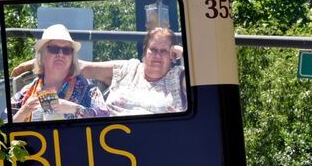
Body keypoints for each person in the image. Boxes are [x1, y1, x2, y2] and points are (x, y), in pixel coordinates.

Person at [10, 27, 186, 116]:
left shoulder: (180, 77)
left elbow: (210, 71)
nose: (157, 55)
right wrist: (42, 61)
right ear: (144, 51)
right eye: (153, 49)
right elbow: (82, 67)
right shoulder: (127, 69)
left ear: (172, 55)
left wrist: (182, 51)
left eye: (164, 51)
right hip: (113, 141)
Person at [10, 24, 108, 122]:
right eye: (54, 49)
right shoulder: (26, 93)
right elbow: (2, 129)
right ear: (42, 55)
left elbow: (105, 117)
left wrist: (74, 109)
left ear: (72, 57)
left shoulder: (87, 89)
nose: (60, 54)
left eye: (66, 50)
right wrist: (23, 112)